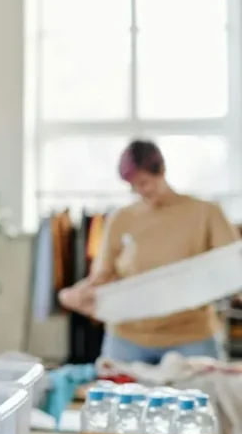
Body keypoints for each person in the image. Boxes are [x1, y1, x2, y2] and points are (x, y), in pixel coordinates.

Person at [58, 139, 240, 364]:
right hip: (127, 338)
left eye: (144, 183)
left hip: (192, 337)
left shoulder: (206, 213)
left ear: (161, 171)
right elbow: (103, 274)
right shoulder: (121, 218)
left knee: (203, 398)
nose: (139, 191)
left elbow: (233, 268)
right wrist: (76, 293)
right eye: (132, 186)